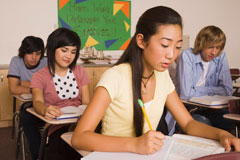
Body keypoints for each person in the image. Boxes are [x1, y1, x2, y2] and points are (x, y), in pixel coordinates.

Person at [71, 6, 240, 155]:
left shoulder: (162, 76)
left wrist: (221, 134)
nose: (172, 54)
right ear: (141, 41)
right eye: (165, 45)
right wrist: (135, 144)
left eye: (178, 46)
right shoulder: (115, 77)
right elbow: (79, 137)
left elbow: (188, 122)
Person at [21, 28, 91, 160]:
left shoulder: (80, 71)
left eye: (73, 52)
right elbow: (37, 103)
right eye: (64, 50)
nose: (69, 56)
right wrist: (46, 109)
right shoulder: (39, 76)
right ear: (52, 49)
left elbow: (86, 102)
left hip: (81, 123)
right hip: (58, 125)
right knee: (64, 149)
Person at [175, 25, 234, 131]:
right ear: (201, 44)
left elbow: (228, 90)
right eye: (210, 47)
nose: (214, 52)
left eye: (218, 47)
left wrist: (197, 90)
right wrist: (215, 90)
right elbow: (186, 94)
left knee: (232, 120)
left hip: (210, 110)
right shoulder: (187, 56)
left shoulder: (221, 56)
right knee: (205, 124)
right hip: (186, 111)